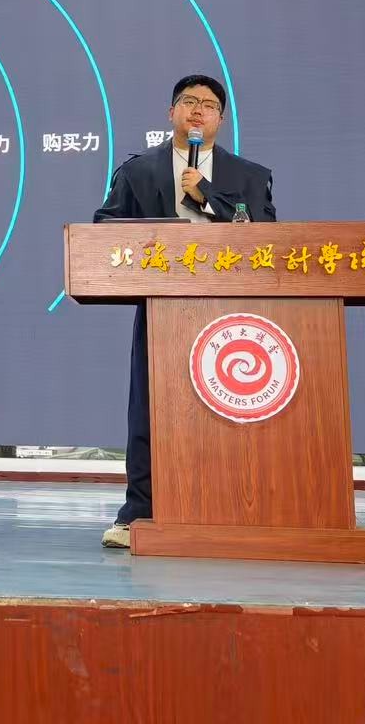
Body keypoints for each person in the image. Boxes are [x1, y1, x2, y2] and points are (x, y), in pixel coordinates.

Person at [92, 74, 274, 549]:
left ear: (220, 119)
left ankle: (236, 507)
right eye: (188, 101)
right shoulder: (137, 172)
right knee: (149, 409)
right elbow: (105, 229)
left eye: (208, 105)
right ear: (171, 113)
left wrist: (207, 196)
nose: (197, 110)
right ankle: (139, 513)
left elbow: (267, 242)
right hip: (161, 307)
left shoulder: (251, 176)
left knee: (232, 409)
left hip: (232, 312)